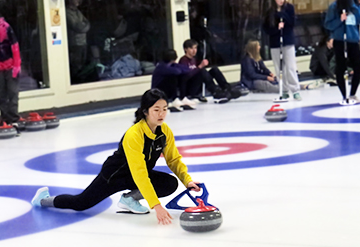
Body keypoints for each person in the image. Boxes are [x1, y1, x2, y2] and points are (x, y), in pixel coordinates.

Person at [31, 89, 201, 225]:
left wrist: (187, 181)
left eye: (164, 109)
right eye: (156, 109)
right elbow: (139, 171)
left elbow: (173, 160)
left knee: (169, 184)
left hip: (136, 176)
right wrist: (156, 206)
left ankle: (128, 199)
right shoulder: (134, 134)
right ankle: (44, 199)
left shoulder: (165, 132)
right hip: (113, 176)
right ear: (145, 111)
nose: (161, 114)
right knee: (80, 203)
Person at [325, 0, 360, 105]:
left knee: (358, 67)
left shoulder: (355, 5)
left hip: (353, 40)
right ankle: (344, 95)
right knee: (341, 68)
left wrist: (353, 7)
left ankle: (353, 94)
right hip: (340, 41)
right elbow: (328, 24)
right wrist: (340, 20)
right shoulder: (334, 7)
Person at [178, 39, 239, 104]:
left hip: (198, 84)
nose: (194, 51)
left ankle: (227, 88)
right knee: (201, 71)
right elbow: (186, 76)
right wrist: (200, 67)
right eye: (191, 48)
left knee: (214, 70)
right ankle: (215, 92)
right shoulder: (183, 61)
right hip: (190, 87)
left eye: (195, 48)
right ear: (185, 49)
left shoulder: (194, 60)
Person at [263, 0, 302, 101]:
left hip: (288, 41)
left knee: (290, 67)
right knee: (279, 68)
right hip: (275, 43)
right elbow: (266, 28)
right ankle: (284, 90)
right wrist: (276, 28)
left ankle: (295, 90)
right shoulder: (269, 11)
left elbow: (292, 23)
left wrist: (282, 15)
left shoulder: (289, 8)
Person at [66, 0, 90, 84]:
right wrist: (84, 26)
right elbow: (77, 26)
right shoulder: (67, 13)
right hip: (75, 44)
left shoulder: (78, 12)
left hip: (83, 42)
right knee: (76, 66)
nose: (79, 1)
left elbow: (87, 23)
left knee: (83, 65)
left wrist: (84, 26)